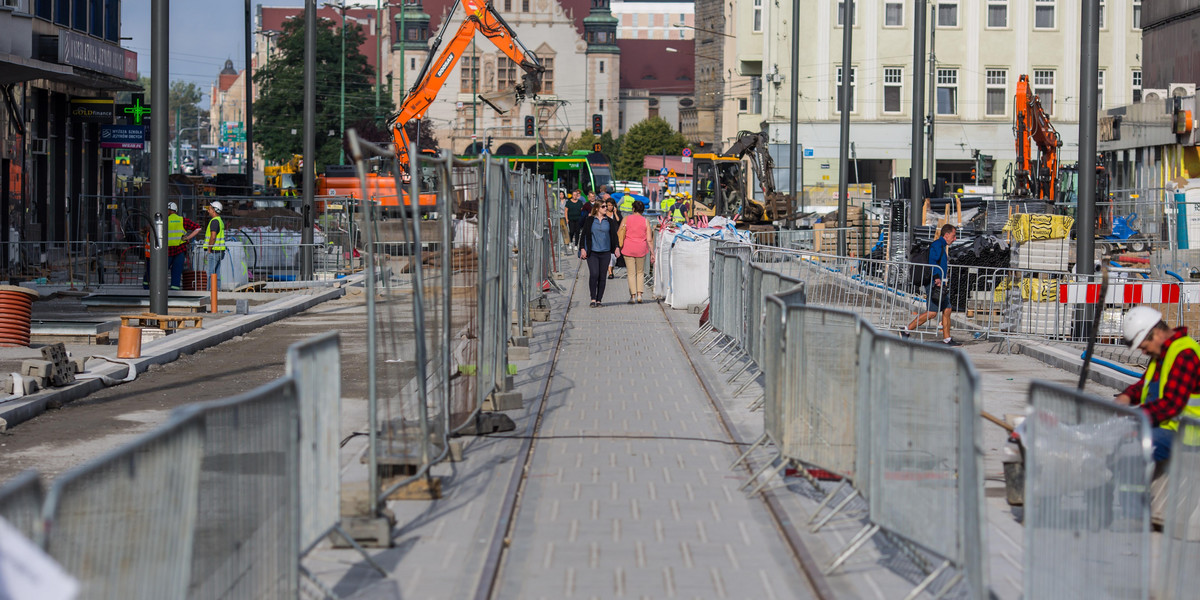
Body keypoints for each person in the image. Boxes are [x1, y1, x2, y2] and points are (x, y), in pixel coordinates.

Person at [1115, 306, 1200, 463]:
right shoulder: (1163, 352)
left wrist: (1136, 420)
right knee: (1120, 446)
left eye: (1144, 347)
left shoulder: (1185, 354)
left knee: (1133, 452)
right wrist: (1127, 396)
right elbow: (1145, 385)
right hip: (1165, 427)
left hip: (1186, 436)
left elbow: (1172, 404)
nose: (1144, 353)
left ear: (1157, 333)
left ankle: (1131, 487)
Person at [901, 224, 960, 345]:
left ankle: (947, 339)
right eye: (953, 236)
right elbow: (932, 262)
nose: (955, 239)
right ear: (946, 234)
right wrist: (937, 278)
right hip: (934, 283)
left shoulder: (941, 246)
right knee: (932, 313)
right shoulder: (937, 245)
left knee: (947, 309)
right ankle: (906, 330)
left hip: (939, 283)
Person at [579, 201, 619, 307]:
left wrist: (616, 248)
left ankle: (599, 300)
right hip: (593, 252)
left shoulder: (609, 221)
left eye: (606, 206)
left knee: (602, 276)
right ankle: (592, 298)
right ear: (597, 208)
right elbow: (583, 235)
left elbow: (614, 236)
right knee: (594, 274)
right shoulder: (590, 220)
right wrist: (582, 248)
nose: (606, 208)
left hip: (605, 252)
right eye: (603, 206)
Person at [618, 200, 654, 303]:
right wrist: (652, 253)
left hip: (628, 248)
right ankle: (640, 295)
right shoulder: (645, 221)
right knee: (640, 272)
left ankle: (633, 296)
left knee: (631, 273)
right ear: (642, 210)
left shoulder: (626, 219)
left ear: (633, 209)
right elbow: (649, 239)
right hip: (641, 249)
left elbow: (619, 232)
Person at [167, 201, 203, 290]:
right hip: (180, 250)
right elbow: (198, 228)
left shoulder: (164, 220)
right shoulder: (182, 220)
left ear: (169, 210)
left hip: (167, 250)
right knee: (177, 271)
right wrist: (188, 237)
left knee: (161, 270)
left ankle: (159, 289)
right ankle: (175, 288)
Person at [203, 201, 227, 288]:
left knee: (210, 273)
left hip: (213, 251)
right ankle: (217, 292)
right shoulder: (220, 221)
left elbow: (213, 237)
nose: (208, 210)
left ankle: (210, 294)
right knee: (217, 273)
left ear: (214, 210)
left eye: (209, 208)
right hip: (219, 251)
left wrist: (209, 249)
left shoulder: (214, 221)